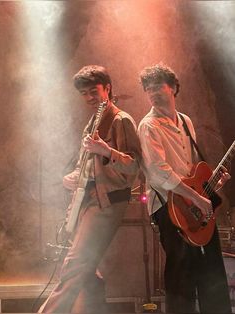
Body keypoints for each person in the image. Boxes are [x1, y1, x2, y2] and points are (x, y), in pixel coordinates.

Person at [39, 65, 141, 313]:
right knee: (88, 271)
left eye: (92, 91)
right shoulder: (93, 121)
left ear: (107, 87)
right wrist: (71, 178)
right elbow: (85, 166)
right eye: (83, 93)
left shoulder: (121, 120)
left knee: (75, 265)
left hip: (106, 203)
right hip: (88, 201)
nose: (88, 98)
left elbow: (135, 165)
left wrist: (106, 151)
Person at [138, 63, 232, 314]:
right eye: (148, 89)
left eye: (158, 86)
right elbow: (159, 173)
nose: (153, 92)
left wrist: (210, 186)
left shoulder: (186, 122)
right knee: (181, 272)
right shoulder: (148, 126)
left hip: (195, 202)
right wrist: (196, 199)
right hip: (168, 205)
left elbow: (191, 169)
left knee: (212, 267)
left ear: (173, 88)